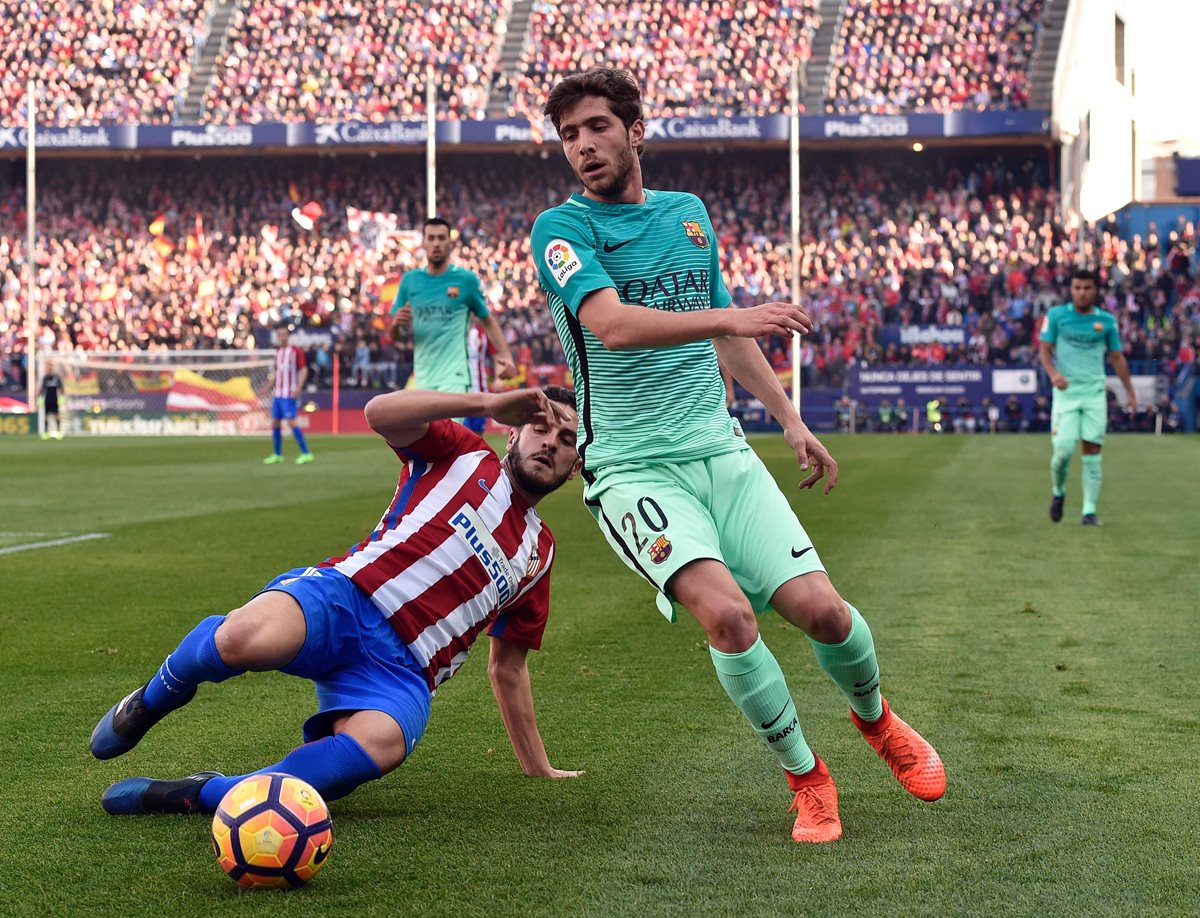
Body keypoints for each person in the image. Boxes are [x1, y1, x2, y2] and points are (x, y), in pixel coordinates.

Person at [531, 68, 944, 845]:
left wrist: (789, 420)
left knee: (823, 611)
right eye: (569, 136)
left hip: (721, 449)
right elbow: (613, 326)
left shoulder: (688, 216)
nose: (583, 146)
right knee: (727, 616)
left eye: (597, 128)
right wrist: (734, 310)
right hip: (631, 468)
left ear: (635, 131)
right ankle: (808, 780)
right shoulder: (562, 229)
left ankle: (878, 722)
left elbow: (725, 333)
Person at [90, 386, 584, 815]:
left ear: (573, 468)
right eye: (542, 427)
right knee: (241, 638)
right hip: (345, 598)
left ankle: (204, 793)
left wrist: (539, 768)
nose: (551, 444)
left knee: (378, 746)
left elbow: (509, 668)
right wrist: (487, 402)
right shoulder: (464, 453)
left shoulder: (539, 552)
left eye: (566, 441)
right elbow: (380, 414)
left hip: (404, 674)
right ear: (514, 433)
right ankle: (148, 703)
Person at [1039, 269, 1137, 526]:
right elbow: (1044, 350)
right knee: (1062, 454)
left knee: (1092, 451)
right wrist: (1053, 374)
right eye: (1077, 288)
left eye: (1087, 288)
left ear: (1096, 290)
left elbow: (1117, 357)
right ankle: (1058, 492)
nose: (1082, 293)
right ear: (1071, 290)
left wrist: (1130, 392)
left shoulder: (1106, 321)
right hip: (1065, 393)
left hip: (1094, 393)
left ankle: (1089, 511)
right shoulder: (1057, 316)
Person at [390, 218, 518, 400]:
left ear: (450, 242)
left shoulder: (466, 281)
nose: (436, 244)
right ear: (423, 243)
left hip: (455, 378)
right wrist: (395, 326)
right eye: (431, 238)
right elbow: (394, 335)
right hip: (422, 378)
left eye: (441, 238)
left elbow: (488, 321)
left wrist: (506, 356)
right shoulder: (409, 281)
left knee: (448, 428)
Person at [264, 325, 314, 465]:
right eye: (280, 334)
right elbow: (277, 374)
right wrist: (267, 388)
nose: (282, 337)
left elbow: (304, 369)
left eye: (284, 334)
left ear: (288, 336)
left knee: (292, 422)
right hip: (278, 394)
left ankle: (306, 453)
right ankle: (277, 454)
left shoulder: (295, 351)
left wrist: (299, 386)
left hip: (289, 393)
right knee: (275, 423)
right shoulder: (278, 352)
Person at [38, 359, 65, 440]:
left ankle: (59, 432)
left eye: (51, 366)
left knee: (56, 415)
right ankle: (46, 432)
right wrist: (40, 398)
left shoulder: (57, 377)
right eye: (48, 367)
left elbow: (61, 388)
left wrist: (62, 397)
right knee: (46, 416)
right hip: (47, 399)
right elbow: (42, 389)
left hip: (55, 399)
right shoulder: (45, 377)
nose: (49, 368)